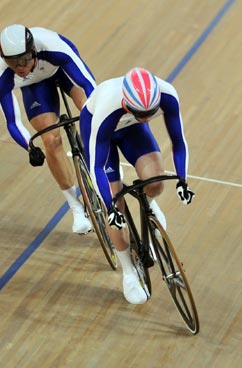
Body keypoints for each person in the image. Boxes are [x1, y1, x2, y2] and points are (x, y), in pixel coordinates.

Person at [79, 67, 195, 304]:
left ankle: (148, 206)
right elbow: (96, 166)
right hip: (101, 133)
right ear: (126, 102)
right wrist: (110, 207)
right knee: (116, 204)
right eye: (141, 112)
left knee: (156, 181)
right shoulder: (107, 109)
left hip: (130, 128)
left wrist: (182, 180)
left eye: (150, 113)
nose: (146, 117)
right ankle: (129, 272)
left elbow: (178, 142)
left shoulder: (167, 95)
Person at [0, 24, 97, 234]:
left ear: (34, 51)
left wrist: (97, 117)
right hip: (35, 86)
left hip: (61, 69)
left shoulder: (53, 48)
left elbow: (89, 85)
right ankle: (76, 208)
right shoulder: (0, 76)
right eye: (12, 62)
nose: (19, 67)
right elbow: (12, 122)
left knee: (89, 110)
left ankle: (101, 159)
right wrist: (30, 147)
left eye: (24, 60)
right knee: (51, 140)